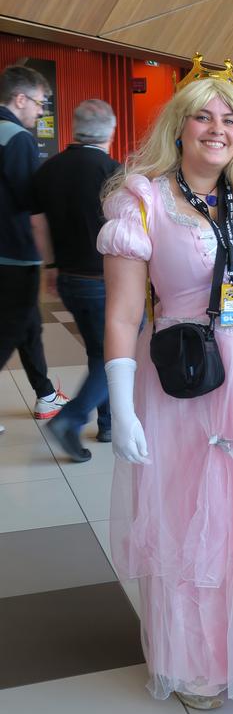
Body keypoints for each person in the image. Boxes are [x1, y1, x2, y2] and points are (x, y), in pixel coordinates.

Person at [98, 75, 233, 709]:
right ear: (179, 126)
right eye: (203, 117)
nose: (218, 128)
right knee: (195, 508)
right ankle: (198, 658)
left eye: (231, 118)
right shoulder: (140, 200)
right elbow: (121, 314)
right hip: (189, 371)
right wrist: (118, 401)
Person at [30, 100, 120, 462]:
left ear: (74, 127)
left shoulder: (47, 170)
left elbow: (39, 224)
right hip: (103, 279)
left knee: (101, 351)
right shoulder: (113, 171)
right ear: (110, 132)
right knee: (116, 352)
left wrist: (50, 266)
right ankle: (71, 420)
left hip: (67, 278)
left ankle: (109, 421)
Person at [0, 64, 68, 434]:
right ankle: (44, 395)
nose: (41, 112)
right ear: (20, 98)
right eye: (40, 104)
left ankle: (44, 394)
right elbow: (33, 209)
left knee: (27, 326)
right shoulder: (17, 138)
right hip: (14, 254)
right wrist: (50, 260)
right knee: (10, 329)